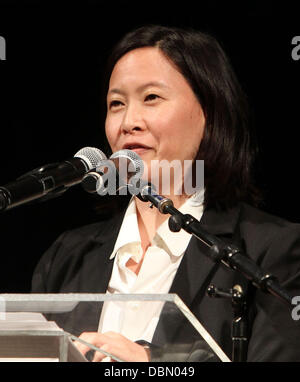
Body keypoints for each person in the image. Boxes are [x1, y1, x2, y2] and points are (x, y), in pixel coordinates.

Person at [31, 24, 300, 362]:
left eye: (151, 98)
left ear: (210, 114)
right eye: (116, 104)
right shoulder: (66, 258)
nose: (129, 121)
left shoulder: (270, 251)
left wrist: (153, 365)